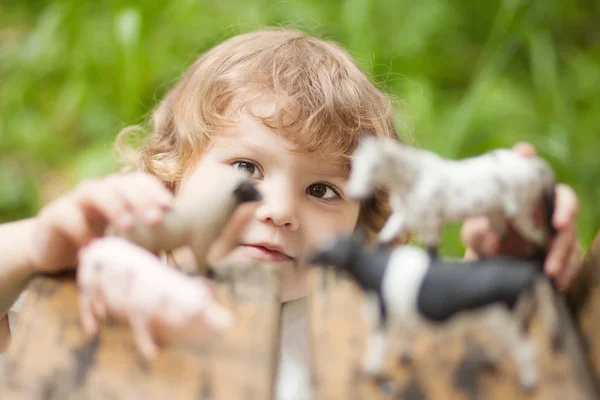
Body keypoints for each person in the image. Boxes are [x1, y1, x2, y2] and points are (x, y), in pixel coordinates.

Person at [0, 28, 582, 399]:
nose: (278, 210)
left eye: (324, 190)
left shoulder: (372, 318)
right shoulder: (106, 279)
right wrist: (32, 247)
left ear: (366, 221)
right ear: (171, 175)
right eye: (247, 168)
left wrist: (513, 267)